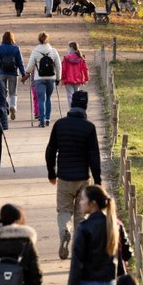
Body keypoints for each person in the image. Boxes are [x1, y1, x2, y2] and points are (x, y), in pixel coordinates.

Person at [46, 90, 102, 259]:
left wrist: (51, 173)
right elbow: (94, 156)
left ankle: (64, 231)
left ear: (72, 105)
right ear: (85, 106)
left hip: (64, 177)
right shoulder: (89, 128)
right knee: (80, 215)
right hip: (83, 178)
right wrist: (97, 180)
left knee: (64, 211)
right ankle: (79, 247)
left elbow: (50, 151)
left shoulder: (60, 125)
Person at [27, 32, 61, 127]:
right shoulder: (53, 51)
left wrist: (27, 72)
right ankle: (48, 119)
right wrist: (58, 78)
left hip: (39, 78)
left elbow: (30, 67)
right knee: (48, 98)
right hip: (51, 78)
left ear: (39, 40)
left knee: (41, 99)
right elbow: (58, 66)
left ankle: (41, 121)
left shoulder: (35, 51)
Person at [0, 31, 26, 120]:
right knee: (13, 92)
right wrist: (23, 74)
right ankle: (13, 106)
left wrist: (0, 67)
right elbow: (20, 62)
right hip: (13, 73)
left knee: (2, 92)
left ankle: (4, 109)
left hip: (2, 73)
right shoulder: (16, 48)